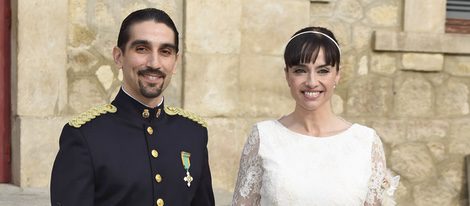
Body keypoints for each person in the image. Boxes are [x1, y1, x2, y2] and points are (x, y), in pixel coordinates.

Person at [51, 8, 215, 206]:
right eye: (142, 49)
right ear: (119, 57)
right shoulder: (85, 136)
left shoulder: (193, 133)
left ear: (175, 62)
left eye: (165, 52)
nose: (154, 63)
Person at [232, 27, 399, 206]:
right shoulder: (264, 137)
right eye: (300, 70)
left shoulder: (365, 142)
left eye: (323, 71)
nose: (311, 82)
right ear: (287, 75)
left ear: (338, 75)